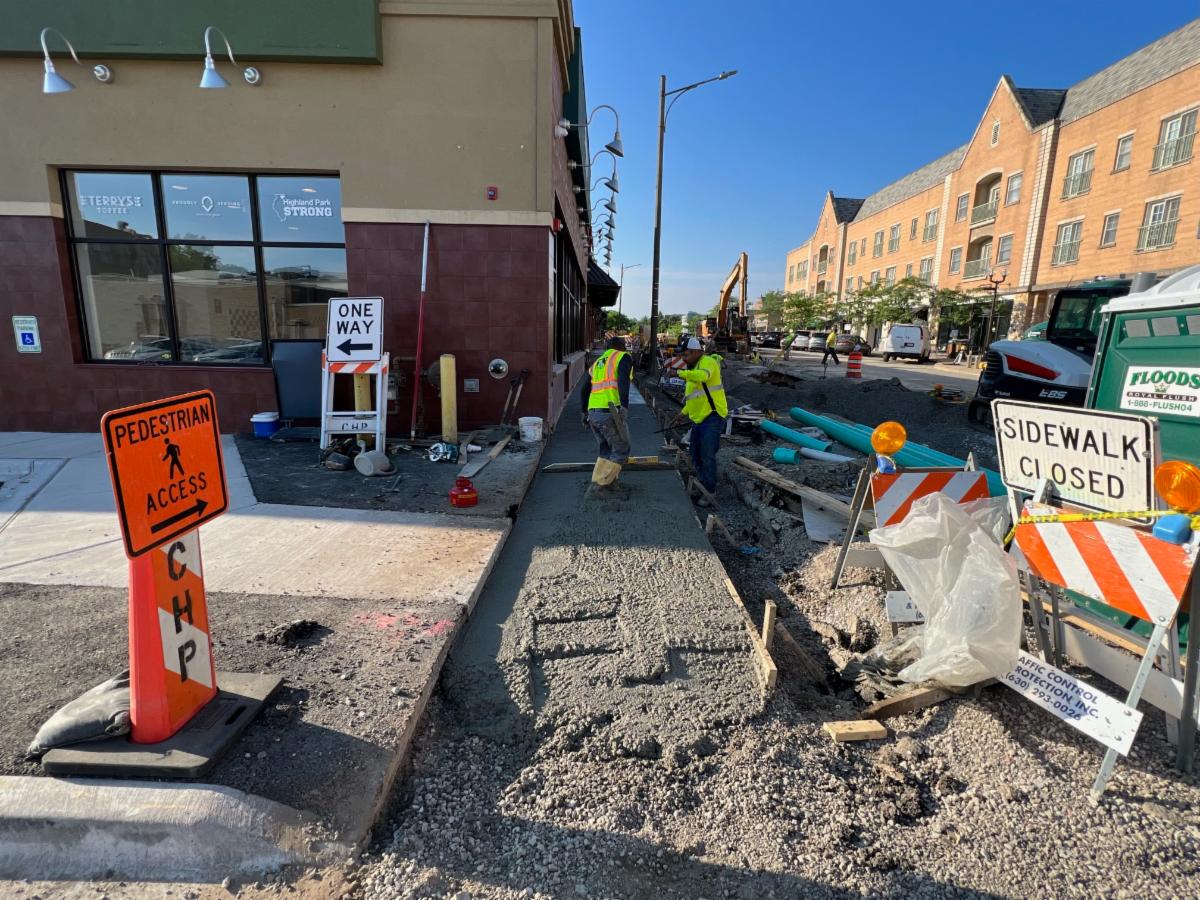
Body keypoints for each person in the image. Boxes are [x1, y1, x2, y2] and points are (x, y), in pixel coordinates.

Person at [672, 337, 727, 507]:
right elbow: (693, 398)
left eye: (686, 355)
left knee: (707, 455)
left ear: (696, 352)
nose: (684, 359)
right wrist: (682, 413)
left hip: (712, 416)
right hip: (699, 419)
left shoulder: (708, 362)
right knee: (695, 454)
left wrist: (679, 373)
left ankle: (710, 491)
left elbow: (703, 377)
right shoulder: (694, 368)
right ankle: (703, 484)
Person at [578, 336, 633, 497]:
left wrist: (584, 413)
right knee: (622, 449)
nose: (626, 349)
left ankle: (609, 483)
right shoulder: (622, 357)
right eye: (624, 346)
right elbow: (623, 381)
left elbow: (584, 390)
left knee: (606, 450)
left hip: (594, 414)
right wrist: (624, 406)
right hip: (610, 413)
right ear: (620, 346)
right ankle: (599, 487)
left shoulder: (597, 363)